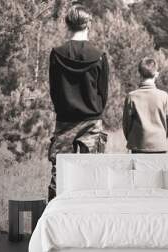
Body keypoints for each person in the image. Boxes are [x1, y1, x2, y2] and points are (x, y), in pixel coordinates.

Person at [47, 5, 109, 201]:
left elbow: (54, 90)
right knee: (93, 174)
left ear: (67, 24)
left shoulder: (57, 54)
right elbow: (103, 92)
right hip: (91, 121)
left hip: (65, 120)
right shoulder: (99, 56)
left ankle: (55, 217)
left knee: (60, 174)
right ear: (88, 24)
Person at [122, 57, 168, 153]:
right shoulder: (165, 97)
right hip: (159, 146)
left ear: (139, 74)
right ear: (156, 74)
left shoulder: (131, 97)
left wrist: (133, 139)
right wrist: (159, 139)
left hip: (138, 145)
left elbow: (126, 124)